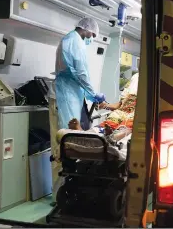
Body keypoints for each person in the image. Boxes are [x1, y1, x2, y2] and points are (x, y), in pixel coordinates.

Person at [48, 17, 105, 204]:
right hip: (65, 96)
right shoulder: (74, 42)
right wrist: (93, 93)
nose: (92, 38)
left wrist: (89, 96)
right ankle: (61, 191)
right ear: (86, 30)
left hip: (71, 94)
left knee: (70, 138)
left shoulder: (72, 40)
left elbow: (78, 77)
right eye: (92, 35)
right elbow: (80, 73)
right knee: (66, 141)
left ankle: (68, 187)